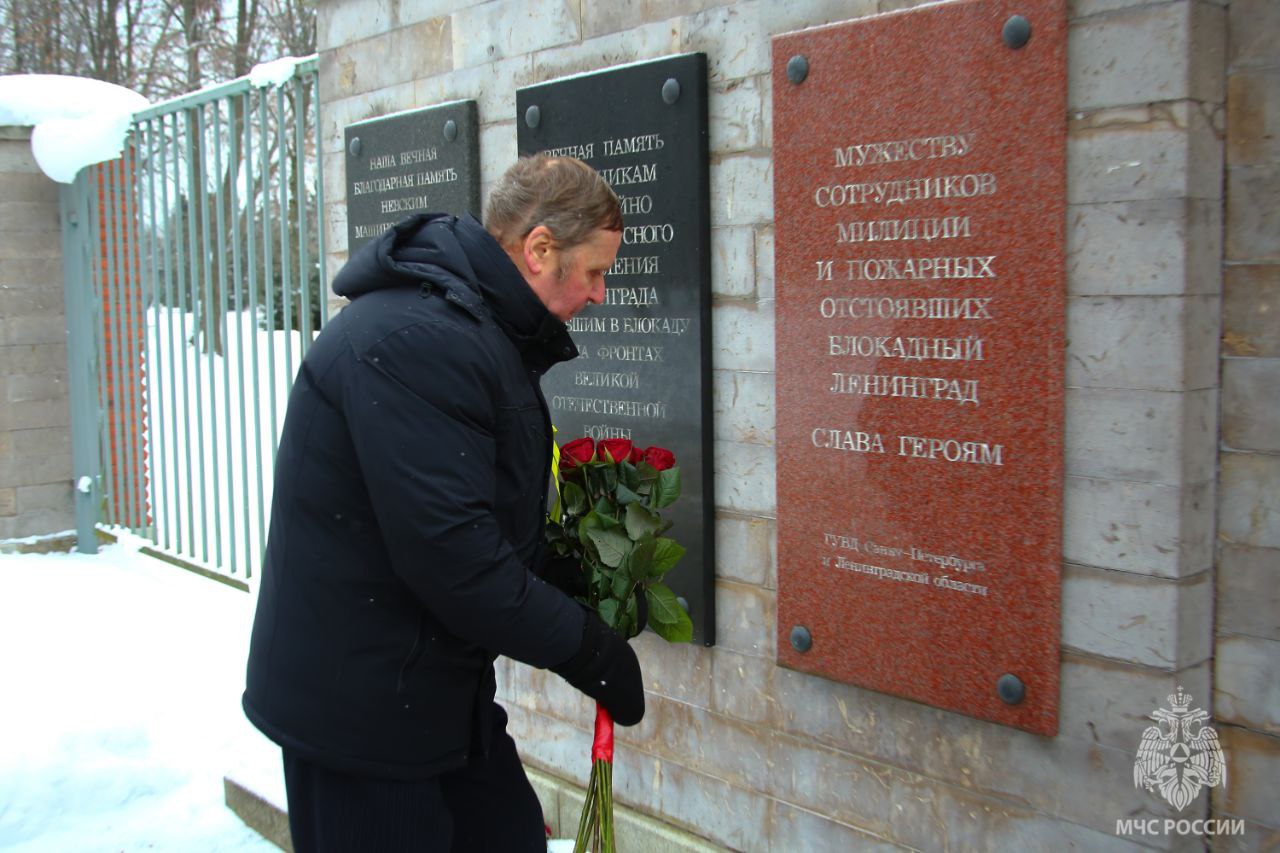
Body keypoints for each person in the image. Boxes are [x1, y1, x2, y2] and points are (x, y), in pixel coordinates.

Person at [242, 154, 644, 852]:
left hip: (430, 688)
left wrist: (561, 575)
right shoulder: (420, 343)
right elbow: (453, 556)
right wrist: (587, 649)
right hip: (361, 716)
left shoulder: (478, 332)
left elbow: (471, 504)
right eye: (594, 271)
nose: (601, 293)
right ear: (540, 249)